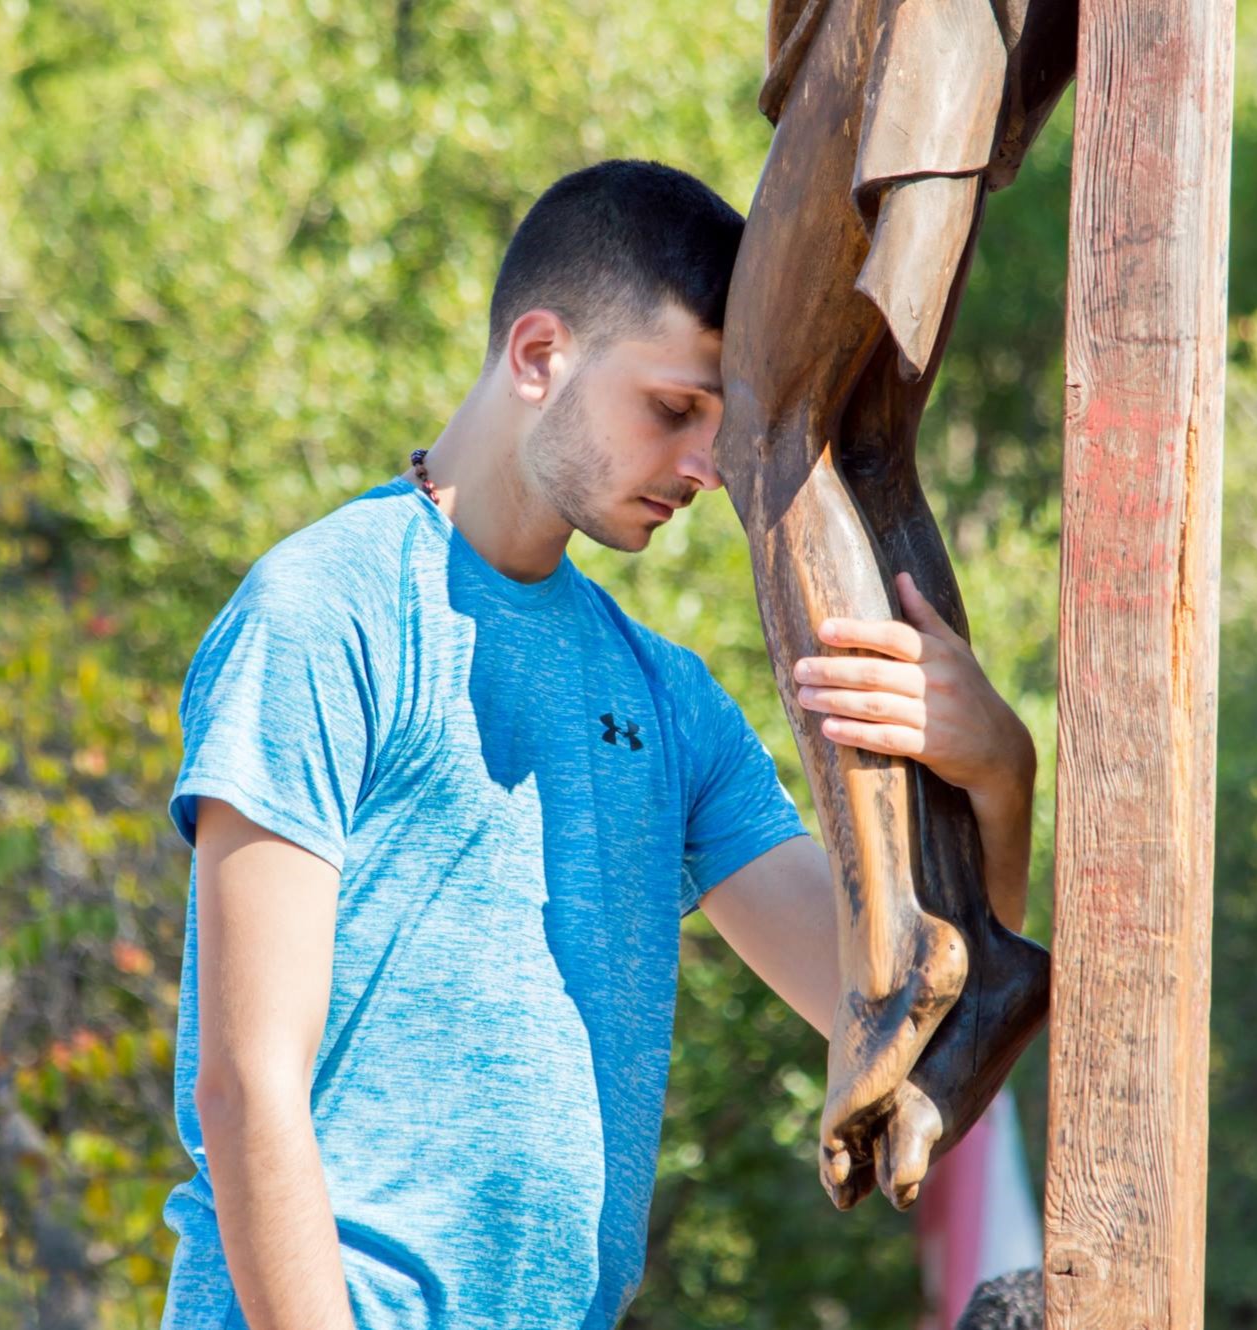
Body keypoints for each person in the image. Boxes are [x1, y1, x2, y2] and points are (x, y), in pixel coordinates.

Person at [158, 157, 1038, 1330]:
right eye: (674, 409)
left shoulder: (666, 699)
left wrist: (998, 774)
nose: (703, 467)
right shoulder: (326, 611)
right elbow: (245, 1084)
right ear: (538, 355)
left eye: (721, 428)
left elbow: (899, 1022)